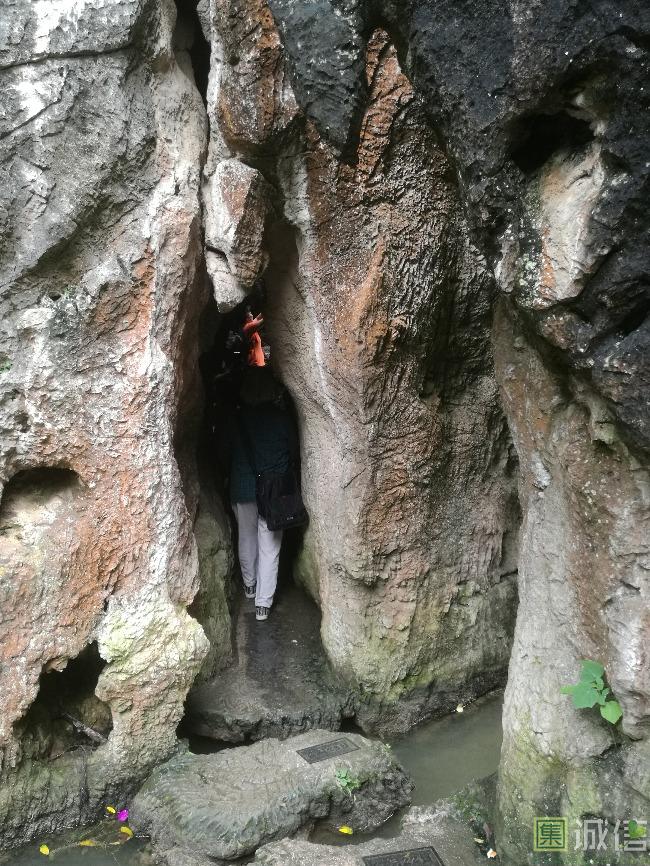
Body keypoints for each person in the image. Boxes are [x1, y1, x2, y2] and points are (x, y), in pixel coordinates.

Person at [229, 368, 294, 621]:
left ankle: (249, 585)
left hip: (243, 486)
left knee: (246, 537)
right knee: (269, 545)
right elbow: (293, 450)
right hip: (274, 490)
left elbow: (225, 449)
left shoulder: (237, 419)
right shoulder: (281, 419)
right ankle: (263, 604)